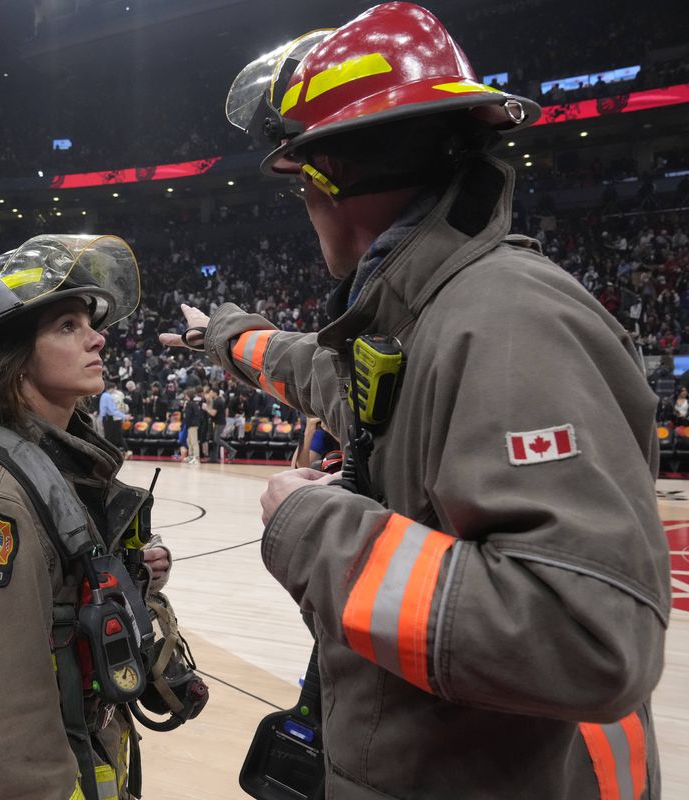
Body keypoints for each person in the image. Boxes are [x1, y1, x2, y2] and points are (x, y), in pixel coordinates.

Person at [162, 4, 667, 797]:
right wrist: (220, 335)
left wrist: (310, 526)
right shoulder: (421, 317)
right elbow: (313, 370)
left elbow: (586, 637)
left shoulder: (507, 321)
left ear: (326, 178)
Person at [0, 234, 175, 799]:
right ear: (9, 360)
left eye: (89, 322)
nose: (97, 336)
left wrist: (136, 572)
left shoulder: (61, 465)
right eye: (66, 326)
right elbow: (3, 705)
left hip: (91, 753)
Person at [99, 379, 128, 452]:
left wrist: (101, 419)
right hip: (109, 418)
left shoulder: (103, 395)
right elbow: (112, 411)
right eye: (114, 389)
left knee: (108, 436)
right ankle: (110, 452)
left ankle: (109, 451)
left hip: (104, 418)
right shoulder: (109, 397)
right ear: (112, 388)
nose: (115, 391)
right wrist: (124, 416)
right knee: (111, 437)